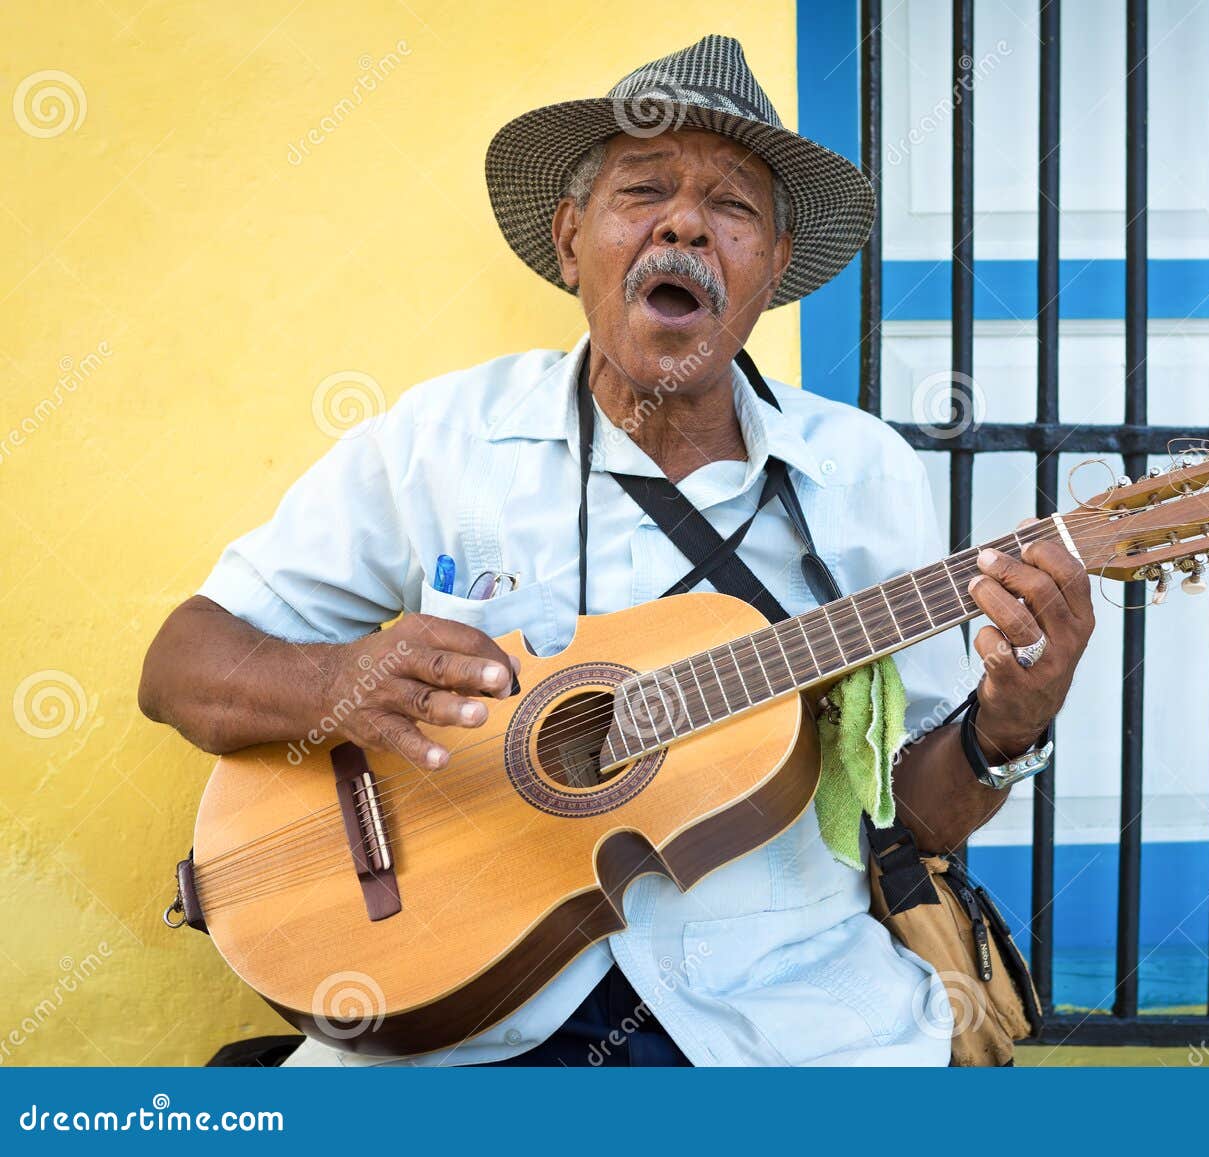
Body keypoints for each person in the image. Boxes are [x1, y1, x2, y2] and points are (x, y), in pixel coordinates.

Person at [139, 34, 1094, 1067]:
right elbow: (179, 669)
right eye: (645, 189)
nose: (684, 222)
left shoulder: (865, 474)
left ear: (772, 269)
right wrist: (337, 676)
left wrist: (1013, 721)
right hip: (455, 1021)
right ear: (569, 240)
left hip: (781, 1022)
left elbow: (911, 814)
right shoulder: (439, 437)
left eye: (732, 207)